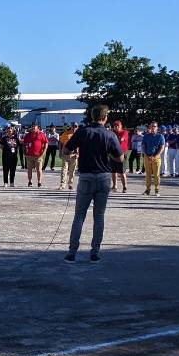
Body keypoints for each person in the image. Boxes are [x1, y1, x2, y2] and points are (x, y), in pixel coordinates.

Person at [62, 105, 122, 263]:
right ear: (105, 117)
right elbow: (120, 158)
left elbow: (65, 151)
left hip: (86, 176)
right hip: (103, 176)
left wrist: (78, 151)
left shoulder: (82, 131)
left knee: (79, 216)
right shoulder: (110, 134)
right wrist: (109, 155)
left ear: (92, 116)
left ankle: (72, 252)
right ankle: (95, 252)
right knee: (99, 216)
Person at [140, 122, 165, 196]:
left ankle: (157, 190)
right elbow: (143, 146)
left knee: (156, 174)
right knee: (148, 175)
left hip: (156, 158)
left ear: (157, 128)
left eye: (154, 126)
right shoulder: (146, 136)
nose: (153, 128)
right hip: (147, 157)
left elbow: (162, 147)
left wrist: (156, 156)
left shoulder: (160, 136)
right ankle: (147, 190)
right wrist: (146, 154)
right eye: (151, 126)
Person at [111, 121, 131, 192]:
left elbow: (121, 139)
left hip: (122, 153)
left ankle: (124, 187)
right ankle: (114, 186)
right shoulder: (112, 132)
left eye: (118, 126)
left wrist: (114, 140)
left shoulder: (124, 132)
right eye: (115, 126)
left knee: (122, 171)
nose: (116, 127)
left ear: (121, 126)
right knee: (113, 171)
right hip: (113, 153)